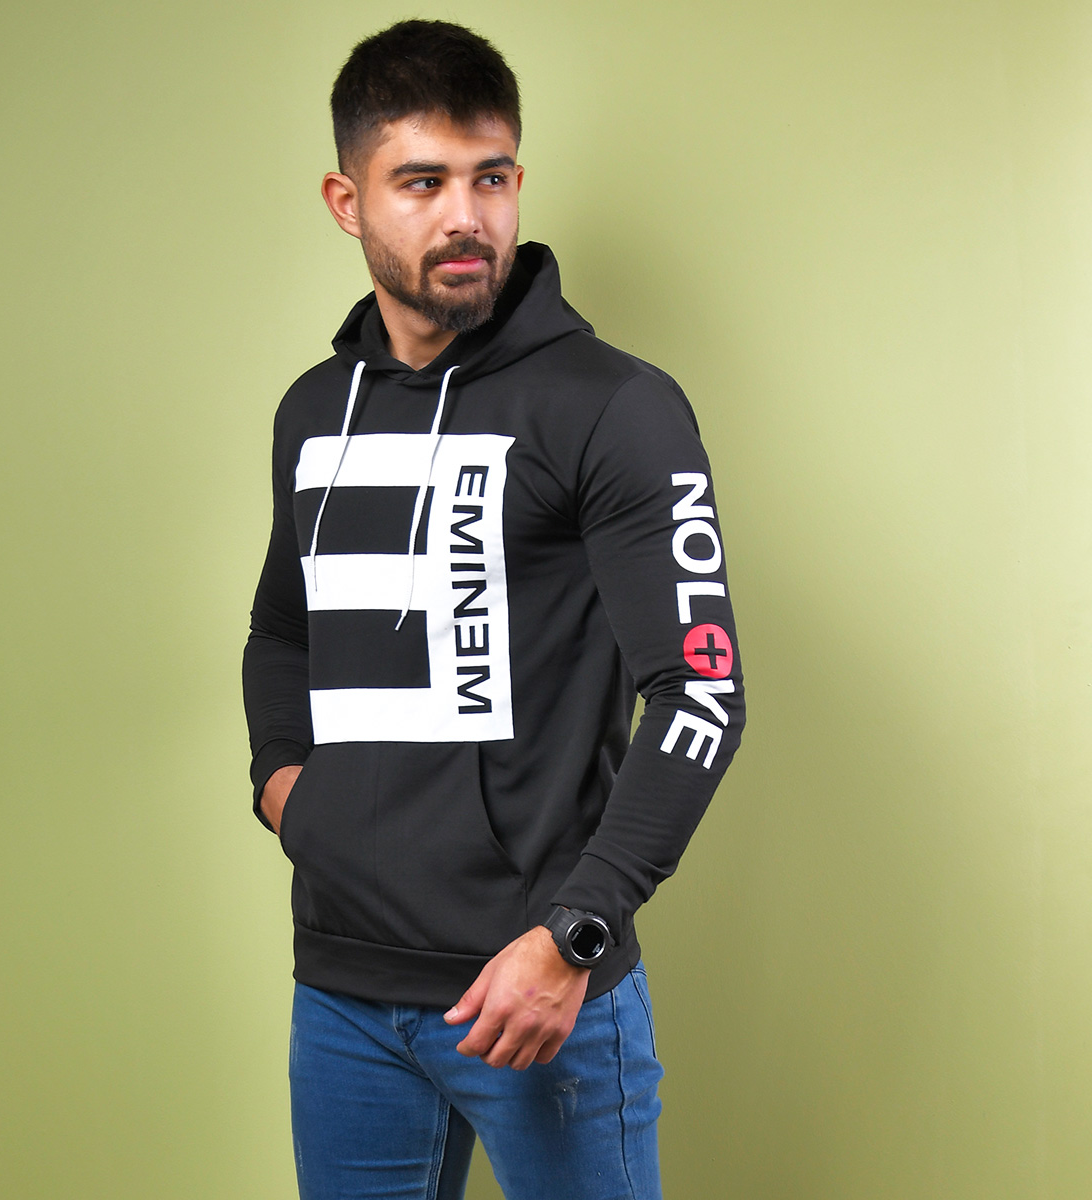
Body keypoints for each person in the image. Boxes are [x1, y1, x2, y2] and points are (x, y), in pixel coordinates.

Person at [242, 19, 745, 1200]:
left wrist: (576, 935)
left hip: (536, 994)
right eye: (423, 182)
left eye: (493, 178)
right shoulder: (314, 410)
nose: (467, 216)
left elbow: (701, 691)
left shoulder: (614, 406)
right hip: (345, 992)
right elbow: (283, 629)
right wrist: (286, 790)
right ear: (347, 200)